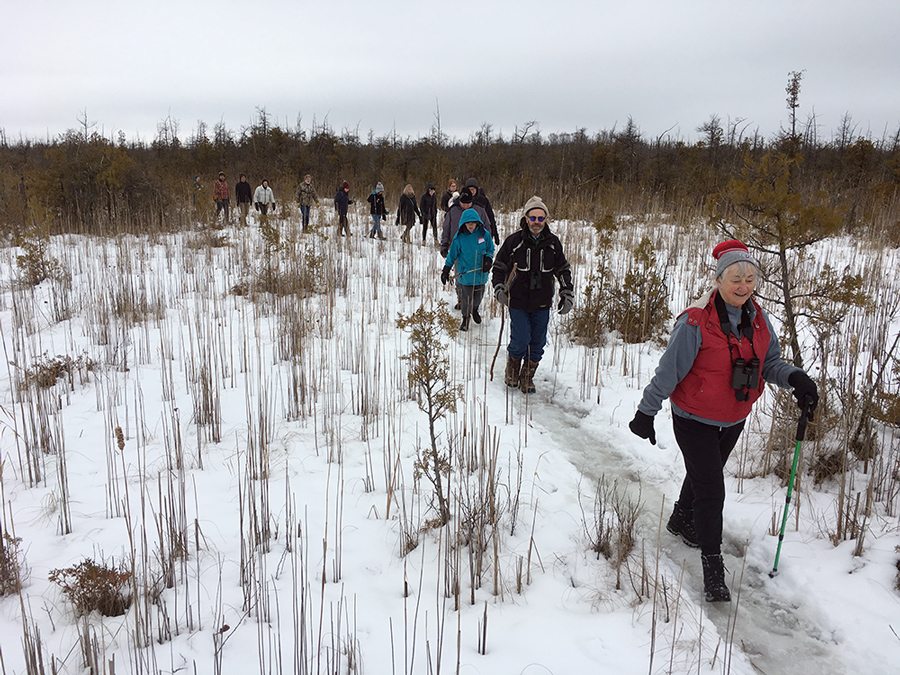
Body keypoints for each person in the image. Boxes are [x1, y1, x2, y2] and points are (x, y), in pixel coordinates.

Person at [628, 240, 819, 604]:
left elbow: (770, 363)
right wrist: (646, 412)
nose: (744, 285)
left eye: (750, 278)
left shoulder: (759, 319)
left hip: (733, 417)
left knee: (705, 473)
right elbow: (669, 373)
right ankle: (713, 566)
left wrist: (796, 379)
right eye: (736, 278)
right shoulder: (694, 321)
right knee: (713, 489)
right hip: (693, 417)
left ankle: (682, 518)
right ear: (718, 280)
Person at [491, 196, 573, 394]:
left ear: (545, 220)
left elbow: (562, 269)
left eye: (541, 218)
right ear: (526, 218)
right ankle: (512, 369)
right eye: (533, 218)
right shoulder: (514, 242)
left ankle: (527, 376)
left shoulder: (553, 243)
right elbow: (499, 267)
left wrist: (566, 292)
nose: (537, 222)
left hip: (542, 301)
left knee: (538, 341)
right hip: (518, 300)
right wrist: (499, 288)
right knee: (520, 338)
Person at [441, 209, 495, 331]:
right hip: (465, 274)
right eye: (468, 223)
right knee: (466, 298)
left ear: (478, 222)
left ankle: (474, 309)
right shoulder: (459, 237)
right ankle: (465, 318)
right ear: (463, 223)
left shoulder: (484, 234)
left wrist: (488, 259)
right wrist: (446, 269)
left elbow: (490, 249)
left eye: (473, 222)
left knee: (478, 296)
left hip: (481, 273)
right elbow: (452, 254)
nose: (470, 225)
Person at [464, 177, 499, 244]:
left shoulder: (483, 200)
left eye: (473, 189)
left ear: (477, 189)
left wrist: (495, 233)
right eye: (469, 190)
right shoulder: (463, 200)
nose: (471, 192)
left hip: (481, 231)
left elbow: (490, 217)